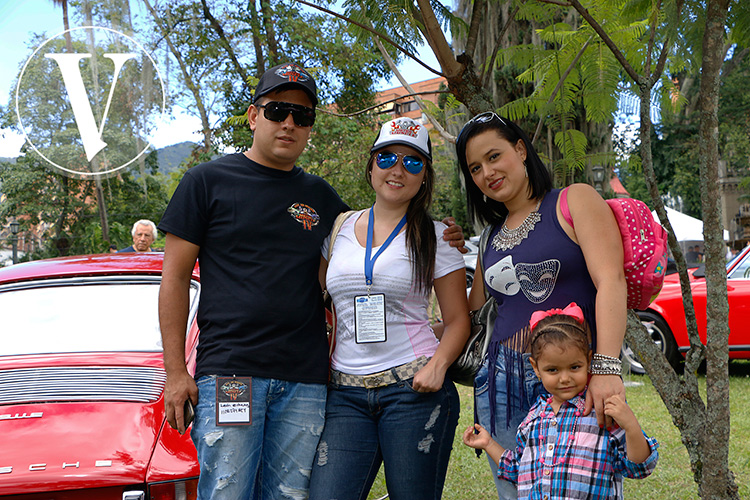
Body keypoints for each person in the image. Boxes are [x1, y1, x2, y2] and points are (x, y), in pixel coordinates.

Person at [157, 64, 465, 500]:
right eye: (278, 110)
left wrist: (443, 233)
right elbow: (173, 280)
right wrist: (174, 371)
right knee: (227, 491)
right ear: (252, 116)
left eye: (302, 116)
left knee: (290, 495)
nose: (289, 123)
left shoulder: (322, 200)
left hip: (306, 380)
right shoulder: (206, 182)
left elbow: (374, 236)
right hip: (232, 372)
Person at [455, 112, 628, 498]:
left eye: (494, 156)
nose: (487, 172)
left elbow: (611, 282)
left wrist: (606, 367)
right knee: (518, 490)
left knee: (589, 487)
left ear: (520, 149)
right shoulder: (488, 237)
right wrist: (448, 254)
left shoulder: (573, 201)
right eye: (475, 168)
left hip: (577, 374)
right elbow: (473, 315)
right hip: (500, 383)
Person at [308, 117, 470, 500]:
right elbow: (314, 301)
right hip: (344, 392)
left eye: (413, 162)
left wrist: (438, 366)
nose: (398, 170)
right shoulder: (339, 230)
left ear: (425, 176)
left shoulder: (438, 238)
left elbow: (458, 320)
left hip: (414, 389)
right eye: (387, 158)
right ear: (370, 166)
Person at [462, 304, 658, 499]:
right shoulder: (532, 419)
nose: (565, 378)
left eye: (574, 367)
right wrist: (488, 443)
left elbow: (639, 468)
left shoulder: (601, 412)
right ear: (536, 368)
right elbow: (519, 471)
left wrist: (631, 426)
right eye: (553, 370)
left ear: (589, 361)